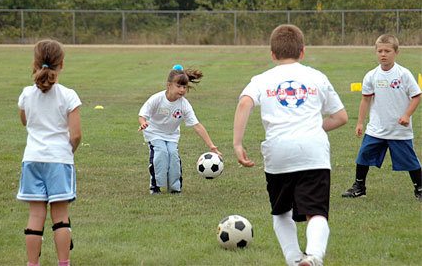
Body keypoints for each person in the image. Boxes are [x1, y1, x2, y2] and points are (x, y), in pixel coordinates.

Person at [233, 24, 348, 266]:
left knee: (281, 211)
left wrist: (238, 143)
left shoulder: (262, 79)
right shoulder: (317, 77)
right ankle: (314, 256)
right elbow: (341, 117)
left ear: (272, 54)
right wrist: (314, 126)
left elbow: (245, 103)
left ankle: (294, 259)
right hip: (313, 152)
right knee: (316, 212)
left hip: (278, 153)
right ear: (302, 51)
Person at [17, 39, 82, 266]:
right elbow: (75, 135)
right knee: (61, 218)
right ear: (61, 64)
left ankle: (32, 264)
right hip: (59, 160)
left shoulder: (26, 94)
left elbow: (26, 121)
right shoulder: (68, 95)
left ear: (35, 62)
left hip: (32, 159)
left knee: (35, 216)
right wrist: (68, 152)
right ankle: (64, 263)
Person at [342, 34, 422, 201]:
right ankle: (359, 186)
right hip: (376, 128)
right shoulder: (371, 75)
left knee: (410, 161)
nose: (383, 54)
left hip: (399, 129)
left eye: (387, 51)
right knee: (363, 156)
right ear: (375, 52)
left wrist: (407, 114)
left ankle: (419, 189)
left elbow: (416, 96)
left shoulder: (403, 74)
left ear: (396, 52)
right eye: (380, 51)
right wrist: (360, 122)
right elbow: (365, 99)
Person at [138, 65, 222, 195]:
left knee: (173, 156)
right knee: (161, 153)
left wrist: (211, 145)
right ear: (169, 85)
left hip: (171, 135)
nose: (182, 90)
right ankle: (155, 186)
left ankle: (175, 188)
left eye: (185, 87)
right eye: (179, 86)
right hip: (154, 133)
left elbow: (197, 125)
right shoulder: (157, 99)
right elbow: (143, 114)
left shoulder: (184, 104)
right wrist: (143, 123)